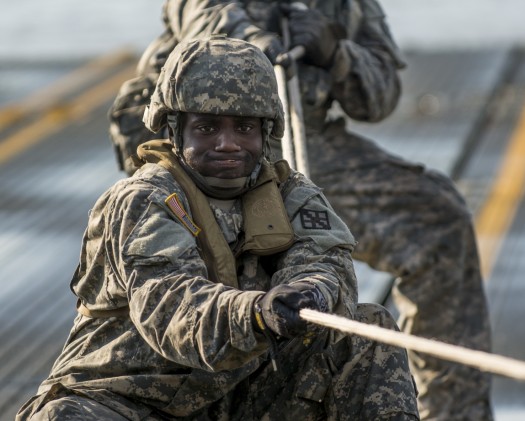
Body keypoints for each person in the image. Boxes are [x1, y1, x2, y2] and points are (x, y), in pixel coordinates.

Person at [108, 1, 494, 419]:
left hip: (290, 130)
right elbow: (203, 17)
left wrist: (335, 53)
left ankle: (456, 411)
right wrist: (259, 49)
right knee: (164, 265)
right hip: (195, 136)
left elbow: (379, 97)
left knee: (436, 221)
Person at [16, 37, 419, 420]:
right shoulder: (142, 199)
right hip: (127, 399)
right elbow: (173, 309)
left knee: (370, 331)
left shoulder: (293, 195)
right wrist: (257, 312)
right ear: (175, 131)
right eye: (207, 128)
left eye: (244, 128)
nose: (227, 143)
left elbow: (329, 268)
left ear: (265, 132)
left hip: (234, 398)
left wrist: (310, 291)